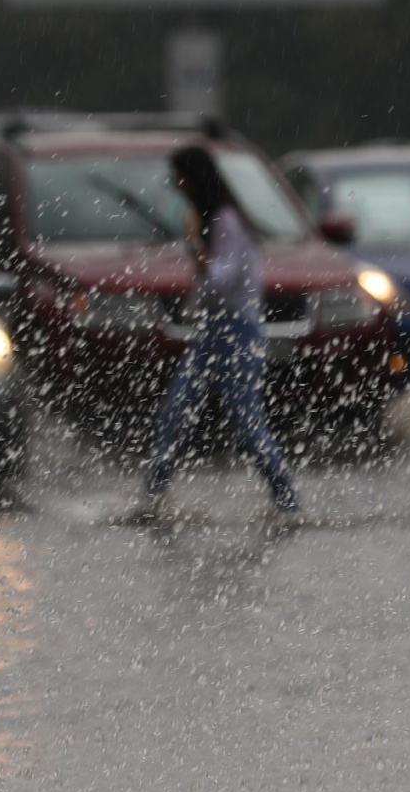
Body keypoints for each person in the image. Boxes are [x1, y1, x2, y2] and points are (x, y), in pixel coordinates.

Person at [128, 144, 300, 523]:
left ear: (194, 178)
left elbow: (223, 279)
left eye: (180, 176)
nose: (175, 184)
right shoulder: (210, 219)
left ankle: (288, 502)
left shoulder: (227, 221)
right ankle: (151, 500)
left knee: (248, 422)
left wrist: (195, 246)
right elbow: (208, 286)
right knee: (175, 412)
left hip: (237, 332)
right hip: (211, 332)